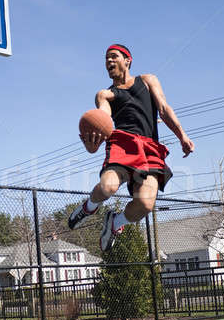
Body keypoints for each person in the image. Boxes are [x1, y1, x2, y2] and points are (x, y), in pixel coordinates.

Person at [68, 44, 194, 251]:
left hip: (150, 147)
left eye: (113, 56)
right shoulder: (105, 94)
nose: (108, 61)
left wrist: (182, 136)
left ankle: (115, 223)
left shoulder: (147, 80)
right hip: (122, 144)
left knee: (145, 204)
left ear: (128, 60)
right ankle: (88, 208)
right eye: (106, 58)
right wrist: (94, 142)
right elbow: (103, 118)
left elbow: (163, 108)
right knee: (108, 187)